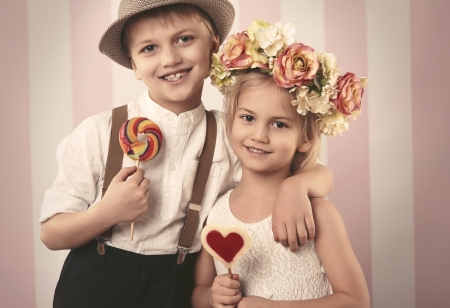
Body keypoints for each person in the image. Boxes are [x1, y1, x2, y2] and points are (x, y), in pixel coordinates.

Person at [39, 3, 333, 308]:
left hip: (177, 286)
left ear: (214, 45)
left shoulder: (231, 133)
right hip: (95, 285)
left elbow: (318, 172)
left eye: (184, 39)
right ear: (135, 66)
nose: (170, 59)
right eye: (149, 47)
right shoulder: (99, 131)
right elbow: (51, 234)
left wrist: (295, 187)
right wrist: (107, 213)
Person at [192, 20, 370, 308]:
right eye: (248, 118)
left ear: (306, 138)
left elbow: (356, 301)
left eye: (279, 124)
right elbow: (198, 290)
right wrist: (213, 297)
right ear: (230, 120)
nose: (259, 135)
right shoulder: (216, 212)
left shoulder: (318, 214)